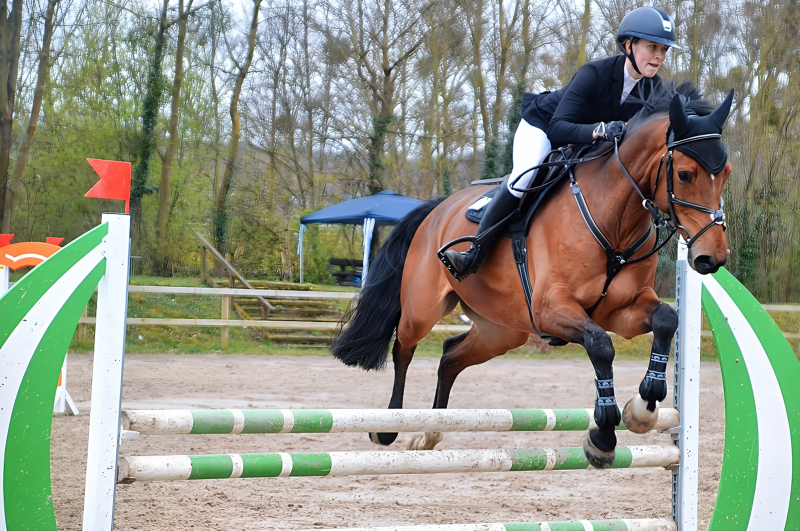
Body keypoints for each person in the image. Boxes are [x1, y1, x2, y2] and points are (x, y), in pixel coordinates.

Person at [442, 6, 678, 281]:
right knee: (525, 178)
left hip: (586, 144)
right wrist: (601, 130)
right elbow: (557, 128)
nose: (660, 56)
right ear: (628, 45)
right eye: (653, 47)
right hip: (542, 125)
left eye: (664, 50)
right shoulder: (595, 73)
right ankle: (474, 252)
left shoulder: (654, 88)